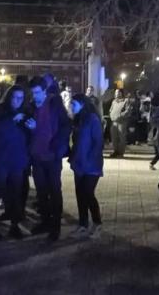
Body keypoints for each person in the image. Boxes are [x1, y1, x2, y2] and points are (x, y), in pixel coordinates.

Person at [27, 76, 71, 241]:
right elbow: (31, 128)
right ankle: (45, 221)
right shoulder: (31, 106)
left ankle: (55, 226)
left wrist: (59, 148)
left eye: (37, 92)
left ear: (45, 91)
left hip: (52, 156)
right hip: (37, 156)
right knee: (41, 192)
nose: (35, 96)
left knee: (54, 191)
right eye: (32, 93)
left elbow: (65, 126)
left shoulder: (55, 104)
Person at [0, 85, 30, 240]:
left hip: (17, 159)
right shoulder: (0, 111)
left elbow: (27, 136)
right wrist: (12, 120)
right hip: (2, 159)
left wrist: (33, 128)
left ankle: (14, 225)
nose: (18, 101)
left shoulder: (24, 112)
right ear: (9, 97)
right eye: (15, 97)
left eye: (21, 98)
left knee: (16, 193)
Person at [68, 94, 103, 240]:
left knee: (88, 194)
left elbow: (98, 143)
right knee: (80, 195)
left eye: (73, 104)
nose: (71, 107)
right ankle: (83, 224)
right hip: (78, 164)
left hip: (91, 165)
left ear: (82, 104)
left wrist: (90, 160)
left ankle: (97, 223)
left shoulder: (93, 120)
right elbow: (75, 142)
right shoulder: (77, 120)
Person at [108, 89, 131, 158]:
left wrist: (120, 115)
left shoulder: (126, 101)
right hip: (114, 122)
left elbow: (128, 111)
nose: (116, 94)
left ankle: (121, 153)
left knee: (122, 138)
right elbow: (110, 110)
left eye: (118, 92)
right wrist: (111, 115)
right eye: (115, 92)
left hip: (122, 122)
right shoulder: (114, 101)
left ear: (121, 93)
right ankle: (115, 151)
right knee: (114, 138)